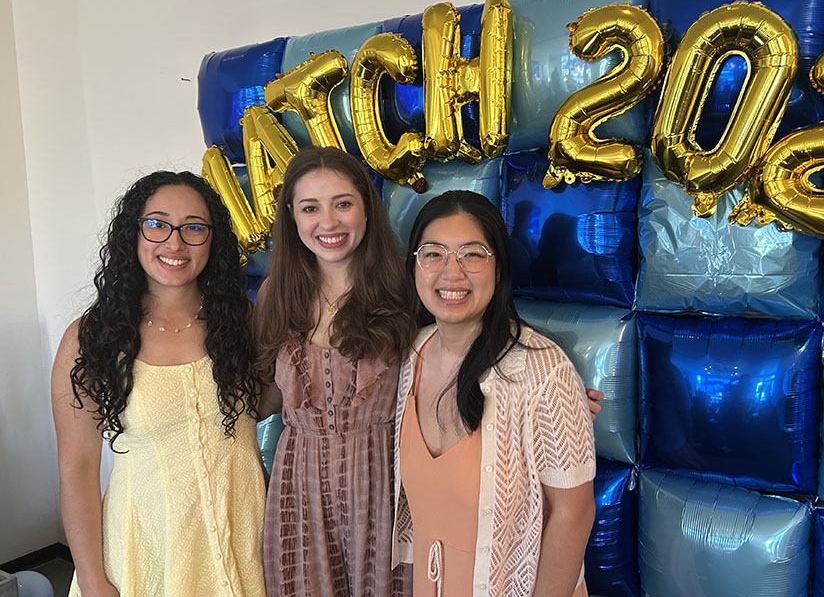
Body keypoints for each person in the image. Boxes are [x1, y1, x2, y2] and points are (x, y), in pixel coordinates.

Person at [51, 171, 266, 597]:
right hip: (146, 549)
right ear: (134, 233)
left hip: (244, 537)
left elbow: (268, 404)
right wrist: (93, 580)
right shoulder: (92, 336)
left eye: (194, 228)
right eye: (157, 224)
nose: (175, 243)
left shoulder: (242, 319)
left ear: (213, 239)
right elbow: (76, 470)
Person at [393, 191, 597, 597]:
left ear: (498, 268)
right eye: (433, 254)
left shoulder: (542, 369)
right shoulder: (407, 358)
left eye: (472, 254)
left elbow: (573, 513)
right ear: (414, 266)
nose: (451, 273)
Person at [255, 146, 413, 597]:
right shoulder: (275, 295)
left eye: (342, 203)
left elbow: (471, 348)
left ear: (366, 206)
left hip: (384, 480)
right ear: (292, 216)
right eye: (310, 208)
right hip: (299, 488)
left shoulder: (407, 284)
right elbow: (267, 399)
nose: (328, 223)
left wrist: (540, 386)